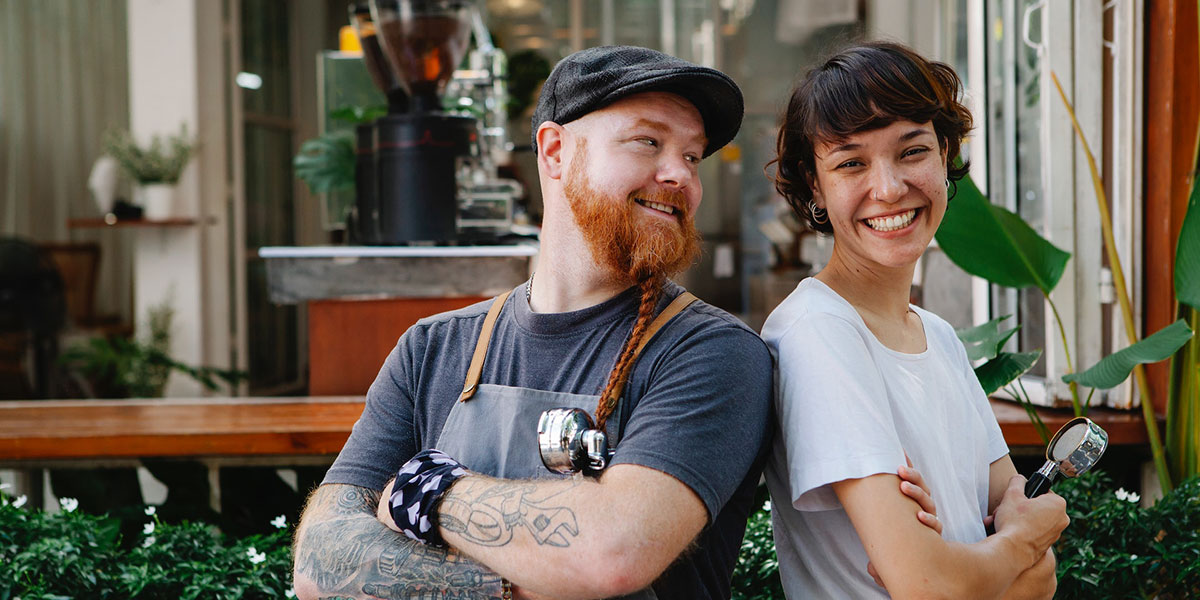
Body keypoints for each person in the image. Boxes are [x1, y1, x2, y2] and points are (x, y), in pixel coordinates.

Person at [292, 46, 775, 600]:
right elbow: (322, 561)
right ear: (554, 151)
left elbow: (612, 551)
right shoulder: (431, 349)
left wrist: (430, 490)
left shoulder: (711, 353)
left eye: (692, 157)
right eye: (649, 142)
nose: (680, 176)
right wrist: (529, 580)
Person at [763, 41, 1070, 599]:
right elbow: (929, 584)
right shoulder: (818, 332)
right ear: (815, 184)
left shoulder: (941, 338)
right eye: (851, 162)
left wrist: (971, 565)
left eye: (912, 152)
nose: (888, 188)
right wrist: (1018, 543)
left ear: (945, 153)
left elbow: (1040, 582)